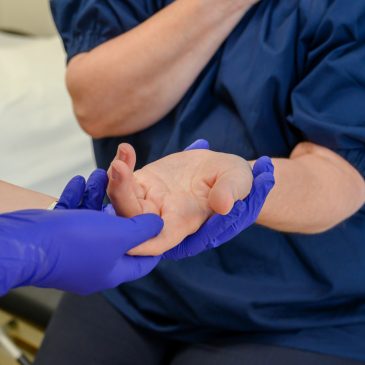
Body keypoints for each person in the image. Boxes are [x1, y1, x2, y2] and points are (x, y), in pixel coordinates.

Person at [36, 0, 365, 364]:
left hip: (304, 311)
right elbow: (95, 107)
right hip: (135, 270)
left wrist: (246, 182)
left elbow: (340, 174)